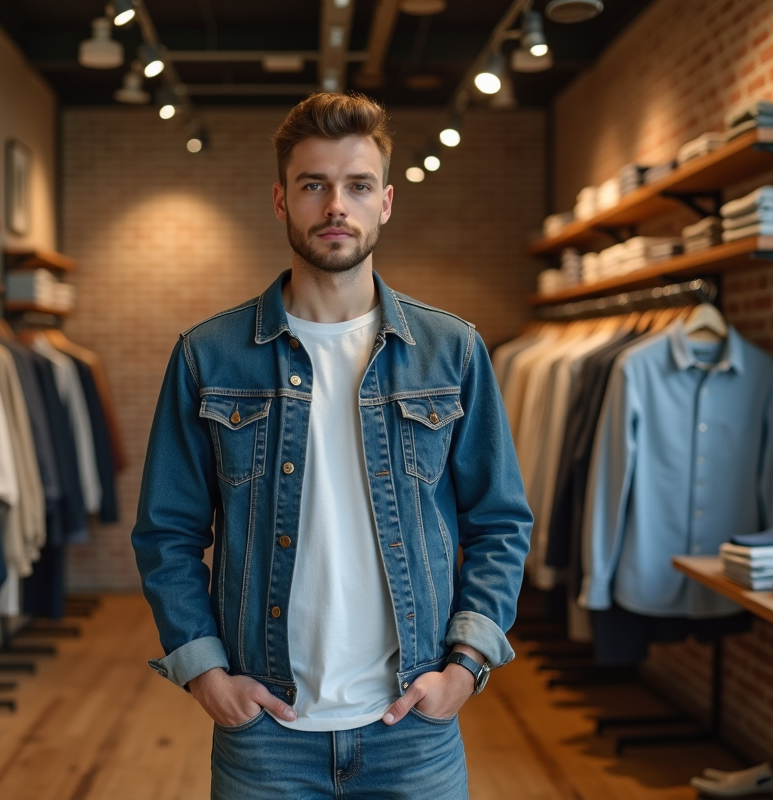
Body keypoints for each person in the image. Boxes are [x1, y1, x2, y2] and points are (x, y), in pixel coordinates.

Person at [132, 92, 533, 799]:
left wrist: (465, 666)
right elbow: (167, 532)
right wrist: (205, 674)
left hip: (414, 729)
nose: (336, 206)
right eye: (314, 184)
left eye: (358, 185)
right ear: (281, 199)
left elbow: (499, 520)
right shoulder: (208, 355)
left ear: (386, 202)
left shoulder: (452, 351)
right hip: (266, 736)